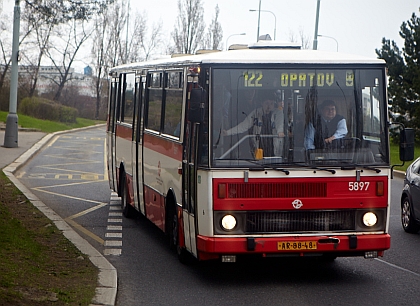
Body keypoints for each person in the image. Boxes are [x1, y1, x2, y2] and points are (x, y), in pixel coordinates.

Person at [223, 93, 285, 158]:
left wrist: (280, 132)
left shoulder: (278, 113)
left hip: (274, 147)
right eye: (266, 103)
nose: (269, 106)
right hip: (259, 146)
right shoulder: (256, 113)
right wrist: (228, 132)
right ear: (262, 103)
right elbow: (244, 125)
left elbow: (279, 123)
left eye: (271, 104)